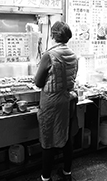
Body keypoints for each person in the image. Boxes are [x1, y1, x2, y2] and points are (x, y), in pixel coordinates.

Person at [34, 21, 78, 181]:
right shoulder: (73, 54)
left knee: (48, 137)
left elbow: (38, 82)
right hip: (67, 99)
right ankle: (67, 172)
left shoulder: (49, 55)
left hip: (51, 102)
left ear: (52, 36)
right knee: (65, 135)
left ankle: (45, 177)